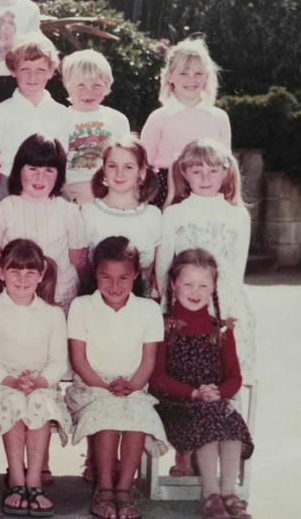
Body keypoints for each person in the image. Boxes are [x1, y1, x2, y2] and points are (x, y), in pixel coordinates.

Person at [66, 237, 169, 519]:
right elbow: (79, 360)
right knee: (108, 413)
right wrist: (104, 386)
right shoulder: (81, 306)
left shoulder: (148, 310)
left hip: (133, 387)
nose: (114, 286)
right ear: (94, 274)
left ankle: (124, 489)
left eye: (123, 277)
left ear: (136, 274)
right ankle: (104, 488)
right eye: (106, 277)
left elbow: (148, 360)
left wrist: (133, 386)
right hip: (91, 386)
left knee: (136, 416)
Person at [150, 249, 254, 519]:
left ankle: (229, 494)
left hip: (211, 402)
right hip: (174, 406)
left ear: (213, 288)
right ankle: (211, 495)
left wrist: (219, 392)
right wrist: (193, 393)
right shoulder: (164, 327)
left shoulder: (219, 329)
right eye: (187, 284)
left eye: (203, 285)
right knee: (214, 415)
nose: (195, 291)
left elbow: (235, 377)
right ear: (173, 284)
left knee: (226, 415)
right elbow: (157, 377)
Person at [0, 239, 70, 517]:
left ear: (41, 275)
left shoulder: (52, 313)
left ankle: (34, 481)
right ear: (1, 272)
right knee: (14, 402)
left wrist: (39, 382)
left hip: (40, 382)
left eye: (30, 272)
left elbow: (57, 362)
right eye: (15, 271)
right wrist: (11, 381)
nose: (22, 279)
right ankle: (16, 480)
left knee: (39, 401)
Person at [156, 139, 256, 382]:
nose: (205, 178)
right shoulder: (174, 213)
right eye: (197, 171)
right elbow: (162, 268)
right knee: (181, 372)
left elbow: (237, 267)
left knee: (225, 372)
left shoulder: (238, 215)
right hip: (182, 301)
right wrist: (165, 306)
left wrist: (228, 308)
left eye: (213, 171)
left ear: (226, 172)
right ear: (184, 172)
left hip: (225, 302)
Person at [0, 134, 87, 310]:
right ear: (19, 170)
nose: (40, 178)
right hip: (16, 295)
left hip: (59, 297)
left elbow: (76, 261)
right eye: (33, 169)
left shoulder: (70, 211)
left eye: (49, 171)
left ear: (59, 175)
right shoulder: (1, 210)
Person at [140, 38, 231, 209]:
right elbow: (143, 166)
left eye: (198, 73)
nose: (191, 79)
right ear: (170, 76)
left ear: (206, 77)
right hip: (166, 194)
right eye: (183, 73)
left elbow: (225, 166)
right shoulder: (158, 118)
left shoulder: (219, 118)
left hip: (207, 191)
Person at [0, 33, 70, 202]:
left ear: (50, 72)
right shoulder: (1, 111)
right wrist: (0, 189)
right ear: (13, 71)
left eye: (40, 70)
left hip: (47, 189)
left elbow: (62, 159)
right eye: (25, 69)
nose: (33, 76)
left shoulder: (61, 113)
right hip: (9, 187)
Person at [80, 133, 162, 298]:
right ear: (103, 169)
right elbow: (82, 268)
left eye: (128, 167)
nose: (119, 173)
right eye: (112, 166)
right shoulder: (89, 213)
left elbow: (153, 270)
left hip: (139, 302)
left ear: (141, 171)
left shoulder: (153, 215)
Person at [59, 50, 130, 205]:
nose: (89, 92)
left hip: (108, 187)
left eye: (97, 85)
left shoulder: (117, 120)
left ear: (107, 86)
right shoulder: (59, 118)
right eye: (81, 85)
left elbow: (126, 160)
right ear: (68, 86)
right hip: (70, 188)